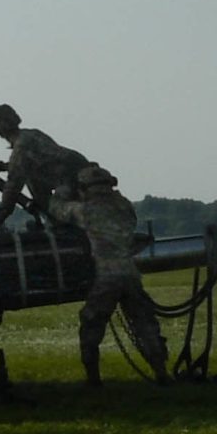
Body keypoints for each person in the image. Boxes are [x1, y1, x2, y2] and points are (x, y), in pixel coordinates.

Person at [51, 165, 169, 386]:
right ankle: (161, 371)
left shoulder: (85, 211)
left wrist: (62, 191)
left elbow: (57, 209)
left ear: (85, 189)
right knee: (145, 324)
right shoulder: (124, 207)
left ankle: (93, 378)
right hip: (131, 275)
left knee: (92, 324)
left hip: (106, 276)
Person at [0, 104, 89, 227]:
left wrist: (0, 217)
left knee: (57, 207)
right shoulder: (32, 134)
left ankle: (78, 220)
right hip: (80, 170)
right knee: (33, 180)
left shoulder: (21, 147)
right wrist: (3, 166)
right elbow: (39, 162)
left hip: (72, 179)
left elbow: (13, 184)